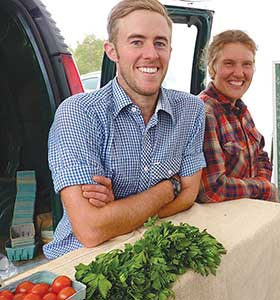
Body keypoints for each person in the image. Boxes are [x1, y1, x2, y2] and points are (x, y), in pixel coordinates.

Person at [43, 0, 206, 259]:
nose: (151, 54)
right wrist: (167, 189)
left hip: (153, 248)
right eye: (137, 42)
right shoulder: (78, 113)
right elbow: (91, 229)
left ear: (170, 50)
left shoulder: (191, 110)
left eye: (160, 43)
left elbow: (189, 194)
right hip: (82, 259)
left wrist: (118, 213)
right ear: (112, 51)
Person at [196, 30, 278, 203]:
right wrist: (263, 188)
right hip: (221, 224)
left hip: (248, 213)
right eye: (229, 64)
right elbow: (213, 190)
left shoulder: (241, 110)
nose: (239, 73)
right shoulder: (205, 113)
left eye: (247, 64)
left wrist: (259, 184)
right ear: (212, 67)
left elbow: (261, 157)